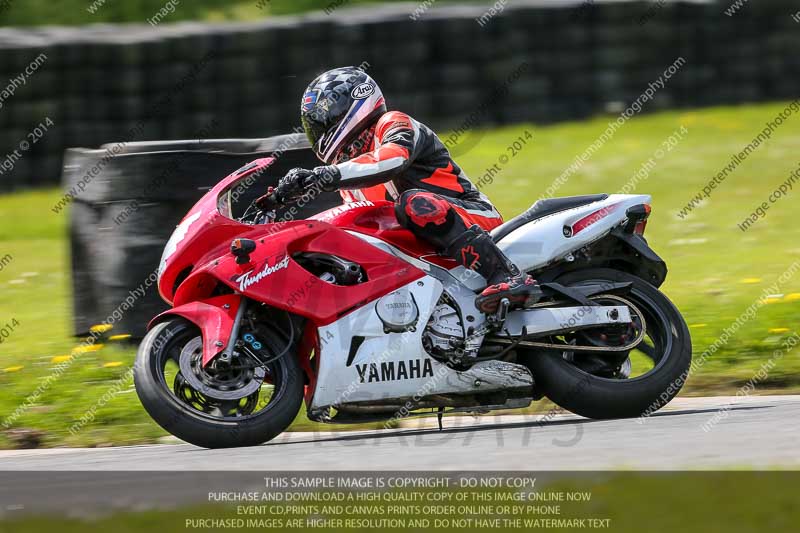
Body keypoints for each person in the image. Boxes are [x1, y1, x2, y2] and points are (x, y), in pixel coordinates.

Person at [257, 66, 541, 314]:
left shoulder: (392, 123)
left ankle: (507, 276)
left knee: (414, 203)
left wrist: (324, 175)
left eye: (323, 117)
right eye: (313, 123)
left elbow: (392, 159)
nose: (319, 128)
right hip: (423, 251)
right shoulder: (349, 179)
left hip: (474, 219)